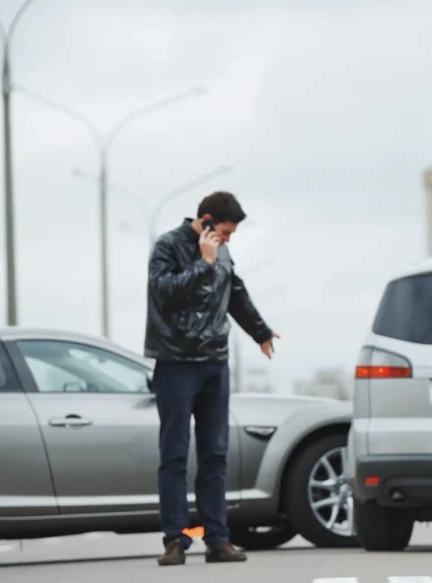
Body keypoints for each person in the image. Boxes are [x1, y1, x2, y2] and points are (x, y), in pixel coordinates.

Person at [144, 191, 280, 566]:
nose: (228, 239)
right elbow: (163, 292)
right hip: (175, 363)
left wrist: (260, 331)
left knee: (215, 455)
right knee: (174, 454)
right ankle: (175, 539)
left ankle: (218, 540)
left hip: (214, 364)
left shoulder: (221, 250)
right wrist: (203, 263)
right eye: (224, 231)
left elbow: (233, 291)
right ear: (205, 221)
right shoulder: (168, 246)